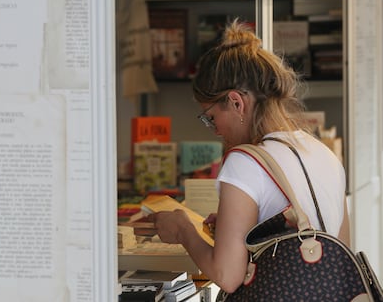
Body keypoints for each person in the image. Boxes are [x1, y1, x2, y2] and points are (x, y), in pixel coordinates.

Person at [147, 19, 350, 294]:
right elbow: (339, 250)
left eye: (211, 117)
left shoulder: (245, 162)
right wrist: (246, 224)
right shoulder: (323, 153)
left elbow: (227, 276)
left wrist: (184, 231)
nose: (215, 129)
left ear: (236, 102)